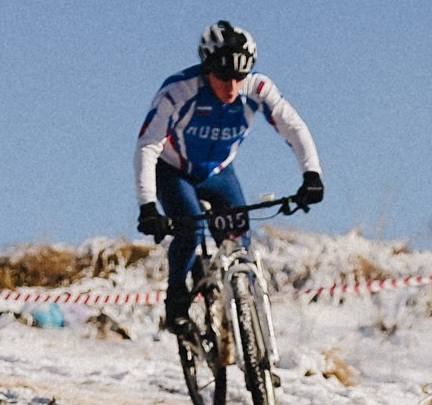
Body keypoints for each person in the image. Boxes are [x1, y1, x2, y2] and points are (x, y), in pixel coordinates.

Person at [133, 20, 322, 333]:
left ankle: (244, 313)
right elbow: (147, 146)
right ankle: (176, 303)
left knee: (239, 244)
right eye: (223, 76)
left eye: (240, 75)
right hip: (174, 170)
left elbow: (293, 127)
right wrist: (148, 206)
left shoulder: (257, 89)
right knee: (189, 229)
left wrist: (311, 173)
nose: (232, 86)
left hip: (219, 172)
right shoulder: (178, 91)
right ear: (207, 68)